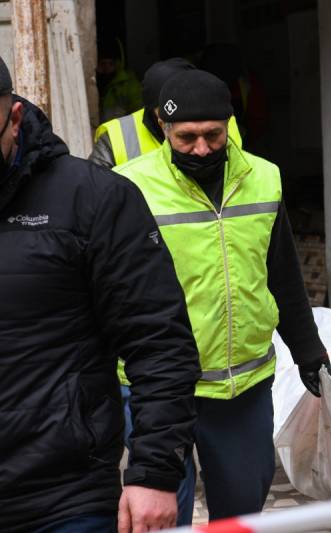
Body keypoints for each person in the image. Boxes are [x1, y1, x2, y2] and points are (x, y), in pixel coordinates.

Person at [114, 69, 331, 521]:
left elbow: (282, 275)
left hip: (242, 385)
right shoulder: (128, 187)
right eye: (187, 137)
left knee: (240, 515)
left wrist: (308, 350)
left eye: (213, 135)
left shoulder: (264, 178)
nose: (202, 148)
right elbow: (108, 288)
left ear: (230, 124)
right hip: (155, 385)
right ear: (163, 127)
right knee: (161, 515)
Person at [0, 54, 200, 532]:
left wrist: (153, 473)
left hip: (62, 499)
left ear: (14, 118)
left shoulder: (92, 199)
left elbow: (159, 341)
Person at [90, 57, 242, 169]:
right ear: (151, 108)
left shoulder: (224, 121)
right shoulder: (118, 136)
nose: (201, 149)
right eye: (169, 109)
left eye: (212, 134)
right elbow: (96, 190)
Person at [96, 37, 142, 122]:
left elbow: (140, 114)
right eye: (103, 64)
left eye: (111, 64)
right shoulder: (93, 85)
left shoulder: (129, 86)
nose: (107, 68)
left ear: (118, 64)